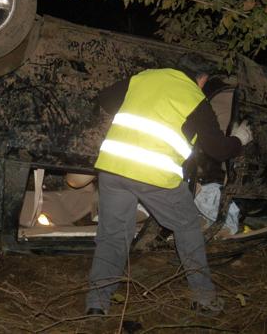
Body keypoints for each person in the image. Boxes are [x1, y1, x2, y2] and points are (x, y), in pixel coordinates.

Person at [85, 53, 253, 316]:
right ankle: (204, 300)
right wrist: (239, 139)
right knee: (187, 225)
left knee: (113, 236)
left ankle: (97, 305)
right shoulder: (194, 98)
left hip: (112, 168)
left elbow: (105, 98)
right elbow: (219, 150)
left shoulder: (143, 78)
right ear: (203, 79)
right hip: (153, 174)